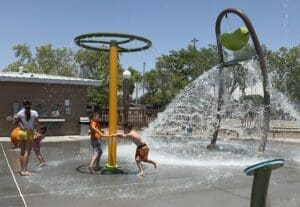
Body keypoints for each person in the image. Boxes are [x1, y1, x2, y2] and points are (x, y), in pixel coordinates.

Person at [13, 100, 40, 176]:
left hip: (22, 132)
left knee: (22, 151)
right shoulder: (34, 113)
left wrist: (21, 125)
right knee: (27, 152)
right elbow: (37, 123)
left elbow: (15, 122)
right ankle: (24, 171)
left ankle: (22, 169)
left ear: (23, 105)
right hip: (29, 132)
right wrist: (38, 131)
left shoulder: (20, 113)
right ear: (30, 105)